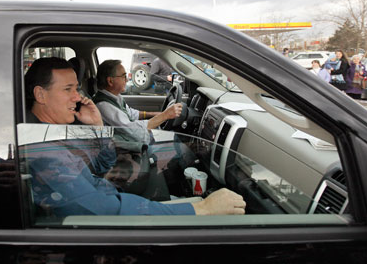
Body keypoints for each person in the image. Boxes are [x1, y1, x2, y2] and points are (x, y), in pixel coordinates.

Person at [24, 57, 246, 216]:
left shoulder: (58, 130)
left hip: (113, 198)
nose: (77, 96)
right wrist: (201, 209)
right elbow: (107, 212)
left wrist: (99, 127)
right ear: (40, 95)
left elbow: (102, 165)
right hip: (112, 217)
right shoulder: (43, 152)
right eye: (68, 89)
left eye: (77, 88)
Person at [92, 59, 182, 145]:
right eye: (123, 76)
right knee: (176, 140)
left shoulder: (115, 97)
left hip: (132, 138)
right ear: (110, 81)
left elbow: (131, 114)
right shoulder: (104, 105)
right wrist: (165, 115)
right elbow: (133, 130)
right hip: (128, 146)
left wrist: (157, 114)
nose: (127, 80)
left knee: (172, 136)